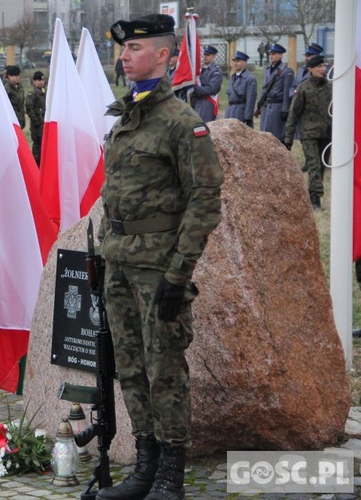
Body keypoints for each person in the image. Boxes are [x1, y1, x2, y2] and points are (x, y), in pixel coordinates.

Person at [98, 13, 223, 500]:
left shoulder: (181, 123)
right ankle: (145, 468)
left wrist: (179, 272)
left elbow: (205, 200)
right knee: (129, 367)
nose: (125, 56)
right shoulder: (126, 114)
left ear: (166, 56)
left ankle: (171, 474)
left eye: (135, 49)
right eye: (124, 50)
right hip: (121, 263)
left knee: (164, 369)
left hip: (158, 270)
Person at [284, 55, 331, 211]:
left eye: (324, 66)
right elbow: (294, 114)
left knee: (322, 167)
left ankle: (315, 194)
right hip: (309, 134)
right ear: (310, 69)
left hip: (327, 135)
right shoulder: (304, 88)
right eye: (319, 66)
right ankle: (315, 200)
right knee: (314, 166)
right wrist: (288, 139)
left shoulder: (330, 87)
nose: (322, 69)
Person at [256, 43, 294, 144]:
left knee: (276, 138)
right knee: (264, 136)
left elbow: (287, 93)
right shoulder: (267, 70)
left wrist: (285, 110)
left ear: (281, 55)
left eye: (274, 53)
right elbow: (264, 89)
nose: (271, 56)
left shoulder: (286, 71)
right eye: (270, 54)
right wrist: (259, 105)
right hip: (266, 106)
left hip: (277, 107)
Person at [225, 51, 257, 127]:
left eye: (238, 61)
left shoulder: (250, 78)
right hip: (230, 110)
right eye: (234, 61)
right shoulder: (232, 78)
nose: (235, 63)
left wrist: (248, 117)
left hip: (241, 111)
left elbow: (251, 100)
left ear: (244, 63)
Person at [191, 45, 222, 122]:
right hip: (197, 102)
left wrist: (194, 88)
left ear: (214, 56)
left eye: (208, 55)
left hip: (207, 103)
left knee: (205, 127)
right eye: (204, 54)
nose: (205, 57)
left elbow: (211, 89)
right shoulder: (200, 70)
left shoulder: (216, 71)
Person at [25, 70, 46, 167]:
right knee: (38, 145)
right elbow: (29, 109)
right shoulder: (32, 94)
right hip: (37, 125)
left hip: (44, 123)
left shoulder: (45, 92)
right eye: (38, 80)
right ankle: (36, 165)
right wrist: (37, 121)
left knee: (45, 145)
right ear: (34, 81)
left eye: (42, 80)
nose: (41, 82)